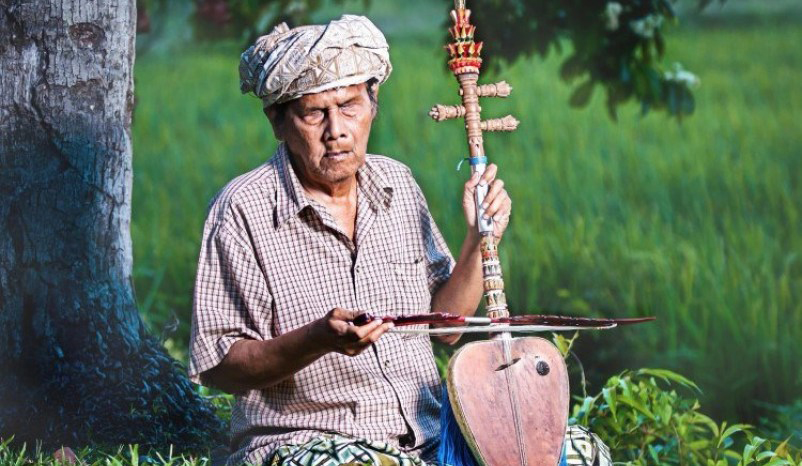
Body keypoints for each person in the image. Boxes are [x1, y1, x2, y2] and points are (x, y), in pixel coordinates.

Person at [189, 14, 609, 466]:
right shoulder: (242, 209)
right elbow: (221, 368)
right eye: (314, 113)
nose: (337, 131)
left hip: (431, 439)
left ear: (373, 105)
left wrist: (477, 238)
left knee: (579, 451)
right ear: (279, 121)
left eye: (349, 106)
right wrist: (317, 339)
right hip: (314, 440)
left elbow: (448, 327)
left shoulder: (397, 184)